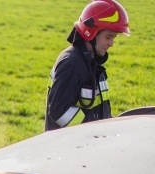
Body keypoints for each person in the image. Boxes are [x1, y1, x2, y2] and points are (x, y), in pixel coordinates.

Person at [45, 0, 130, 131]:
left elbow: (99, 112)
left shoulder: (92, 63)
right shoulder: (71, 65)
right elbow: (59, 110)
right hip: (71, 143)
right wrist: (89, 130)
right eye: (108, 37)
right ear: (91, 33)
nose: (111, 44)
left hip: (91, 142)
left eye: (113, 38)